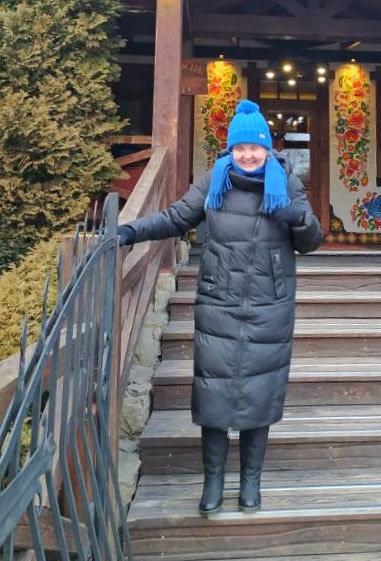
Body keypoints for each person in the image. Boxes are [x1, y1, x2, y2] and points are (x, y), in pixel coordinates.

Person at [118, 99, 323, 516]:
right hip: (219, 302)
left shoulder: (286, 181)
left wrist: (293, 215)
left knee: (259, 395)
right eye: (241, 147)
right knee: (213, 396)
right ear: (231, 149)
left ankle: (250, 482)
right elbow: (176, 218)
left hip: (269, 304)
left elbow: (312, 241)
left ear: (268, 148)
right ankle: (212, 481)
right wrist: (129, 231)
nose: (248, 154)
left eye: (256, 147)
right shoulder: (215, 180)